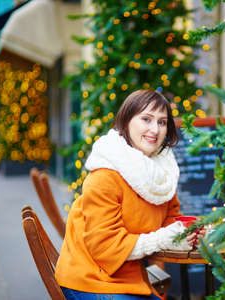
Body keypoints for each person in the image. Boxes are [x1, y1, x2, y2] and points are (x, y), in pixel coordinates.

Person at [55, 90, 204, 300]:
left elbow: (169, 221)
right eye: (146, 119)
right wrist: (165, 238)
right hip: (91, 280)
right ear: (126, 121)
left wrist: (186, 233)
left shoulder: (162, 174)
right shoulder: (105, 176)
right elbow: (106, 248)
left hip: (132, 279)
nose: (155, 129)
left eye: (162, 122)